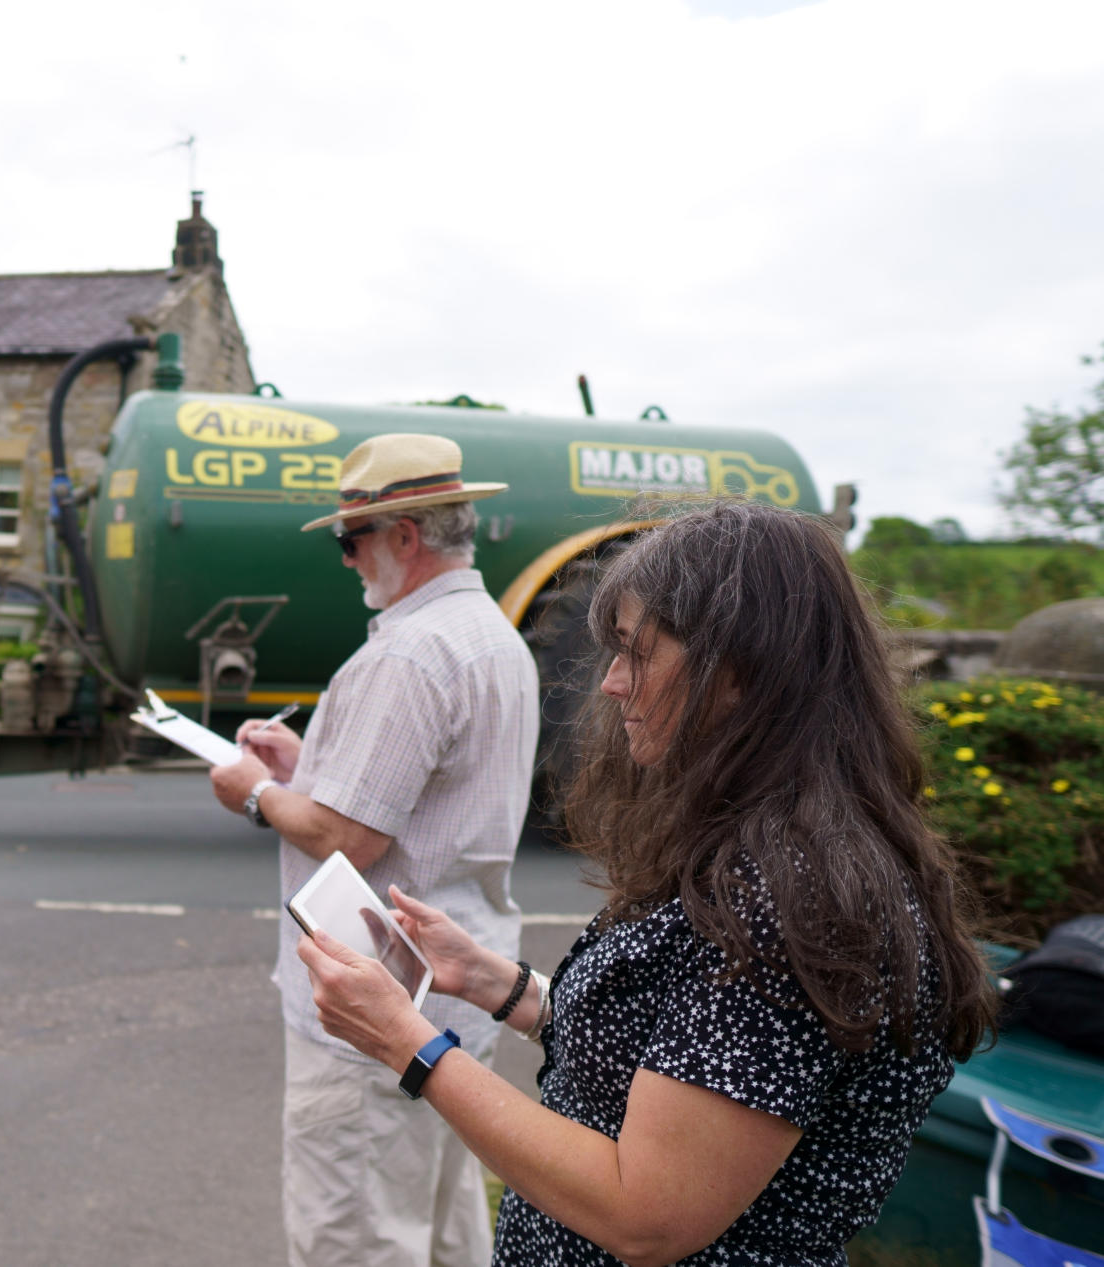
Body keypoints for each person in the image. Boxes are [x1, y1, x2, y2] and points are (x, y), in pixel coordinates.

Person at [295, 500, 998, 1267]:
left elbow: (646, 1213)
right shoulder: (769, 846)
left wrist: (409, 1043)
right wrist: (499, 985)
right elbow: (682, 1064)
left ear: (739, 667)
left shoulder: (796, 899)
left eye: (637, 652)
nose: (612, 685)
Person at [208, 432, 539, 1267]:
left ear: (406, 536)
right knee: (443, 1222)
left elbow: (347, 835)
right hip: (461, 990)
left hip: (374, 1008)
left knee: (355, 1236)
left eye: (350, 538)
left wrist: (251, 788)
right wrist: (303, 767)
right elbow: (425, 795)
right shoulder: (491, 634)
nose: (347, 558)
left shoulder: (408, 652)